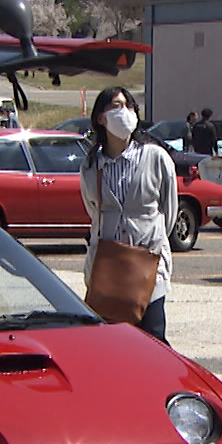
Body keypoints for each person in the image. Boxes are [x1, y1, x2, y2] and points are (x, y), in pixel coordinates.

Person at [79, 86, 178, 342]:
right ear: (101, 117)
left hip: (147, 264)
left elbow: (169, 210)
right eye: (116, 106)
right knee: (113, 342)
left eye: (129, 106)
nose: (125, 112)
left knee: (154, 338)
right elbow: (94, 210)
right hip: (108, 269)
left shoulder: (155, 157)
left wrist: (148, 237)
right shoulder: (92, 165)